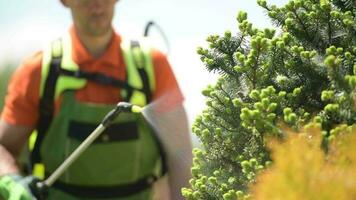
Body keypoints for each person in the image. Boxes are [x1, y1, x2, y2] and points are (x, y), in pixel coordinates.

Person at [0, 0, 192, 199]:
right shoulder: (39, 71)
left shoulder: (152, 65)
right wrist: (11, 183)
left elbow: (181, 157)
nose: (97, 3)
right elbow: (3, 147)